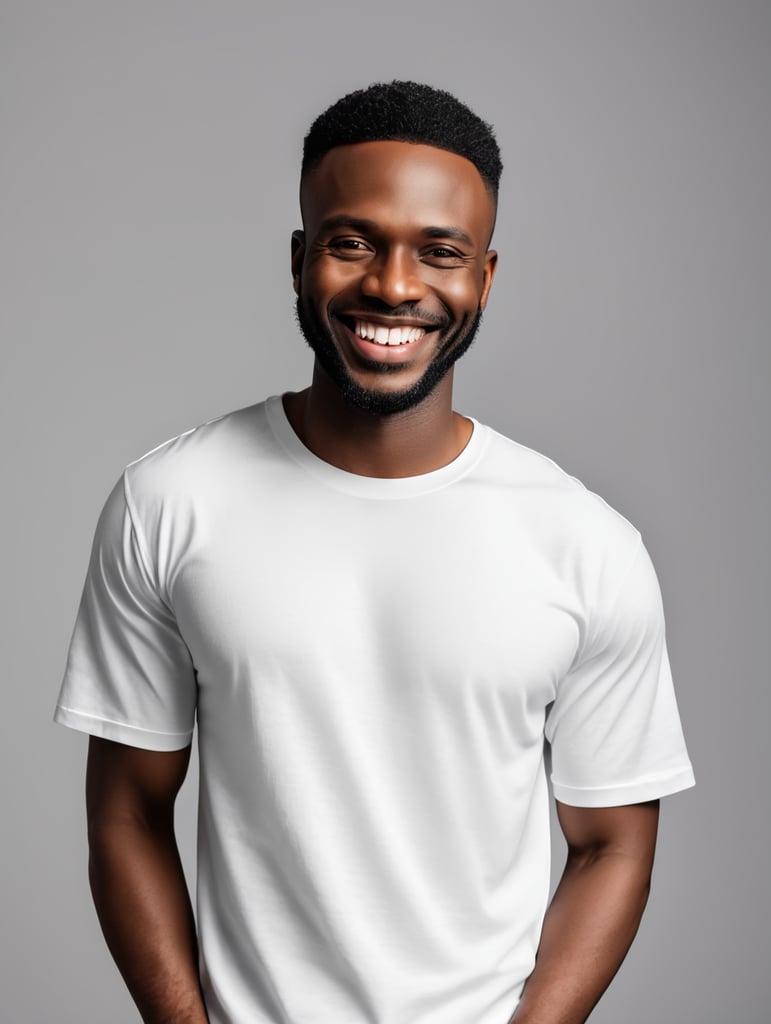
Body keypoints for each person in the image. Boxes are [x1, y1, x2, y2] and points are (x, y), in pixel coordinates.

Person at [55, 81, 694, 1024]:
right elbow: (127, 813)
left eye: (440, 252)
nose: (394, 286)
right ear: (298, 259)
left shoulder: (585, 544)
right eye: (353, 242)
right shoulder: (168, 503)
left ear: (484, 276)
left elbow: (612, 844)